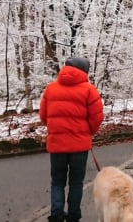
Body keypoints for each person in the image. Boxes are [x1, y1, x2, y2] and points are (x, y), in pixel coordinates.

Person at [40, 57, 104, 222]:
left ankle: (56, 215)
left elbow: (43, 116)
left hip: (57, 145)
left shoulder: (50, 89)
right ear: (84, 70)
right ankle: (74, 215)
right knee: (76, 182)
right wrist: (88, 132)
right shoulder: (89, 90)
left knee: (57, 182)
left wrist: (56, 128)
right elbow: (96, 118)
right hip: (79, 146)